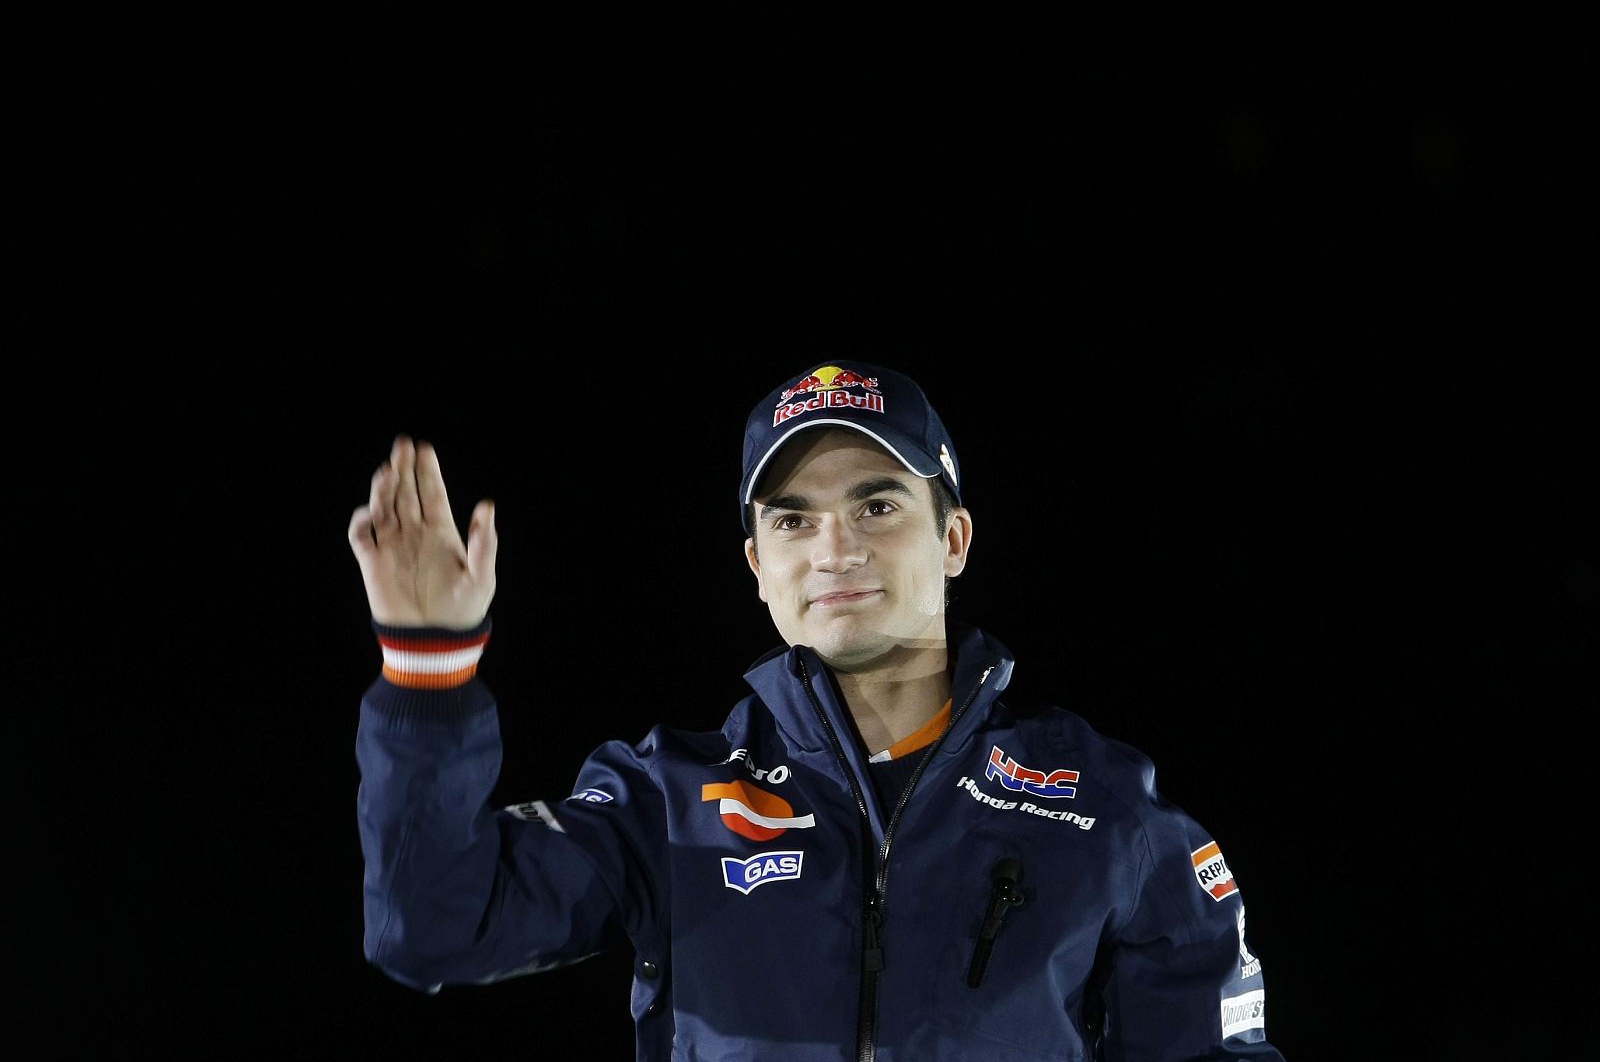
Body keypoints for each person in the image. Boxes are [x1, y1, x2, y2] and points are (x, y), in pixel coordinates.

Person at [348, 359, 1289, 1061]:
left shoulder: (1107, 809)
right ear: (758, 567)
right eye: (793, 519)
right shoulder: (667, 798)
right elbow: (430, 926)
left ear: (953, 538)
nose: (833, 548)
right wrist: (427, 666)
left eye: (877, 506)